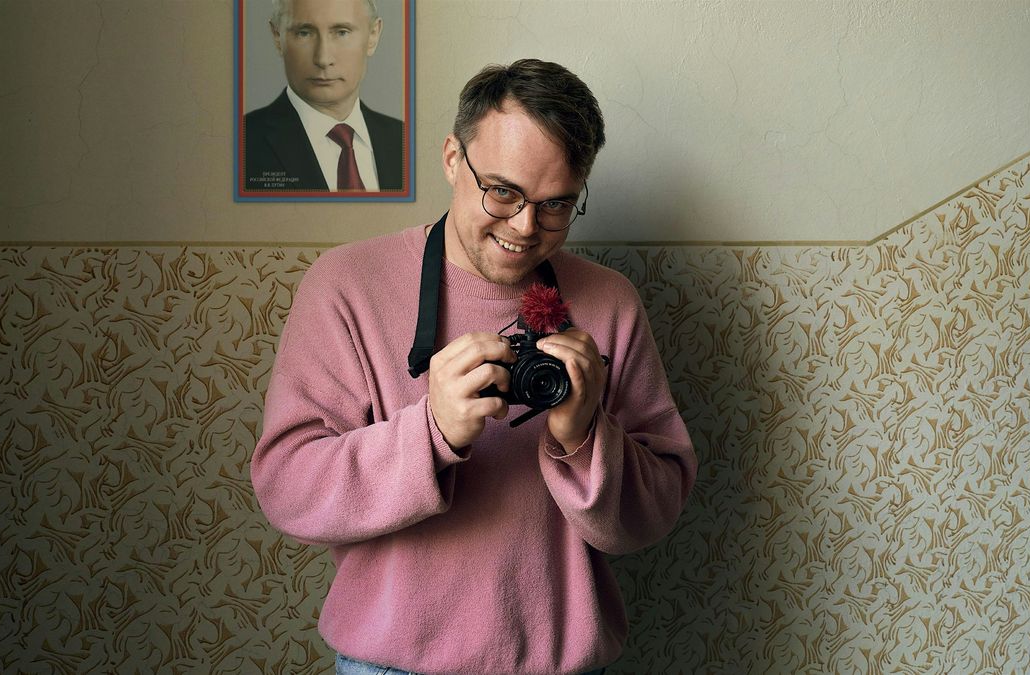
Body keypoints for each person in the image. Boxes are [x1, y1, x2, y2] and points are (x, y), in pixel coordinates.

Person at [251, 59, 697, 674]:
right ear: (452, 159)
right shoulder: (346, 286)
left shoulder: (609, 301)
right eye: (503, 191)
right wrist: (430, 432)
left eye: (556, 204)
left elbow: (656, 511)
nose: (526, 227)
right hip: (391, 667)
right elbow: (288, 491)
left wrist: (585, 437)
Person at [243, 0, 404, 192]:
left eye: (342, 32)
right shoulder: (238, 145)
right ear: (277, 36)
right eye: (304, 33)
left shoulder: (407, 141)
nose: (323, 59)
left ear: (373, 35)